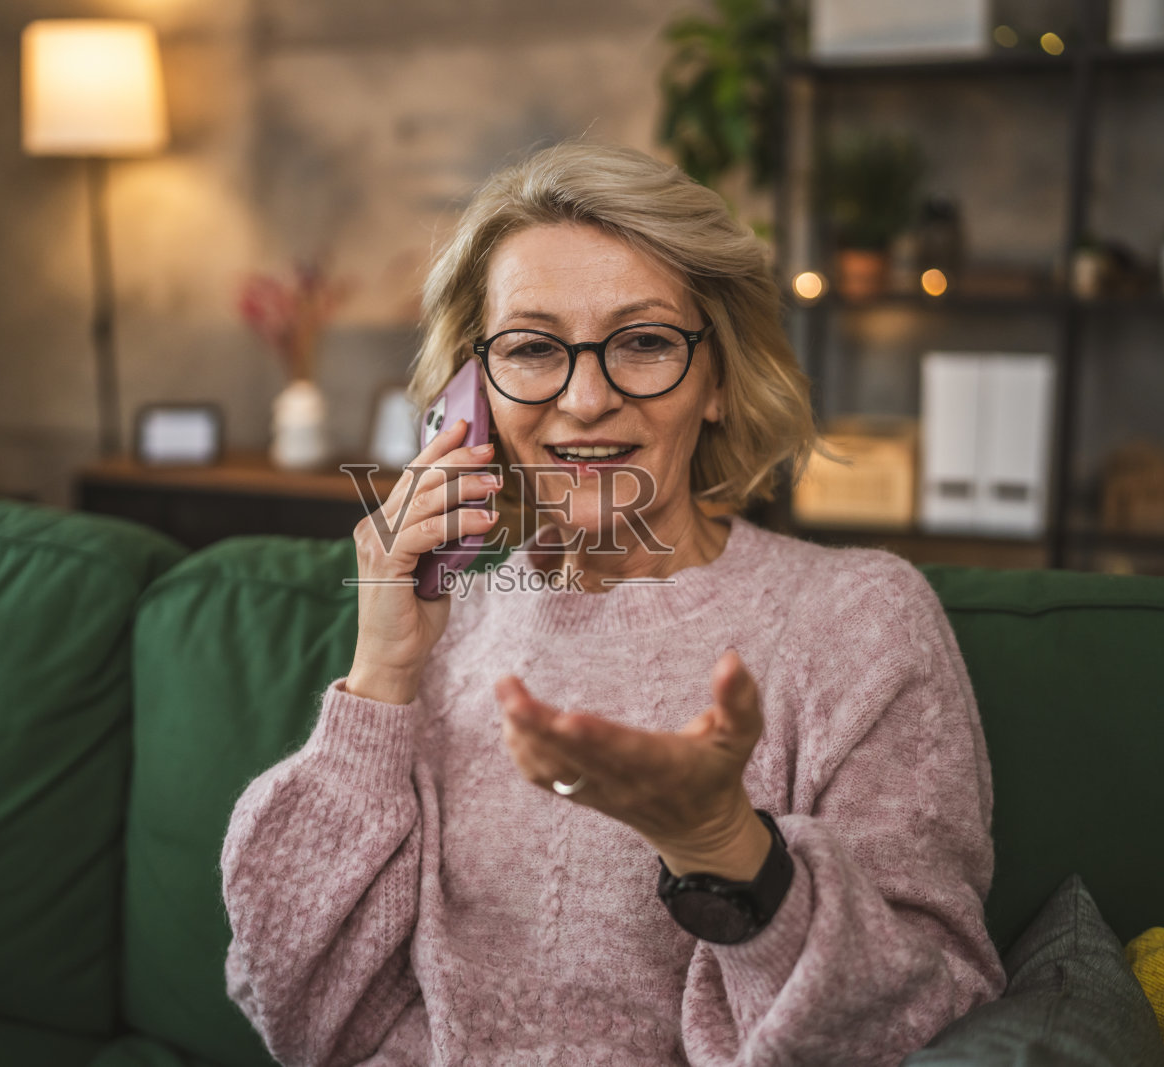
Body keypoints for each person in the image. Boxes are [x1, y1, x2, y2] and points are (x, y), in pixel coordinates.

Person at [221, 142, 1005, 1065]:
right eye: (531, 348)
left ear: (717, 379)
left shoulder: (860, 619)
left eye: (642, 342)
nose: (585, 399)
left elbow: (925, 1008)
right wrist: (382, 674)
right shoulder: (442, 626)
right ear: (470, 398)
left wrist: (724, 849)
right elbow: (295, 1007)